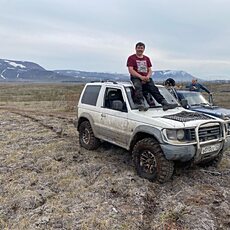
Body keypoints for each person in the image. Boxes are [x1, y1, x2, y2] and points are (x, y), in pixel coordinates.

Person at [126, 42, 177, 111]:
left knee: (154, 89)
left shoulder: (147, 58)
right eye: (138, 48)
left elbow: (150, 70)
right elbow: (131, 70)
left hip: (146, 77)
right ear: (135, 48)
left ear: (144, 49)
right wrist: (140, 77)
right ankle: (141, 104)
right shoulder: (131, 58)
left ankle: (164, 103)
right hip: (136, 77)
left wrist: (147, 76)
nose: (140, 50)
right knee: (138, 87)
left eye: (141, 48)